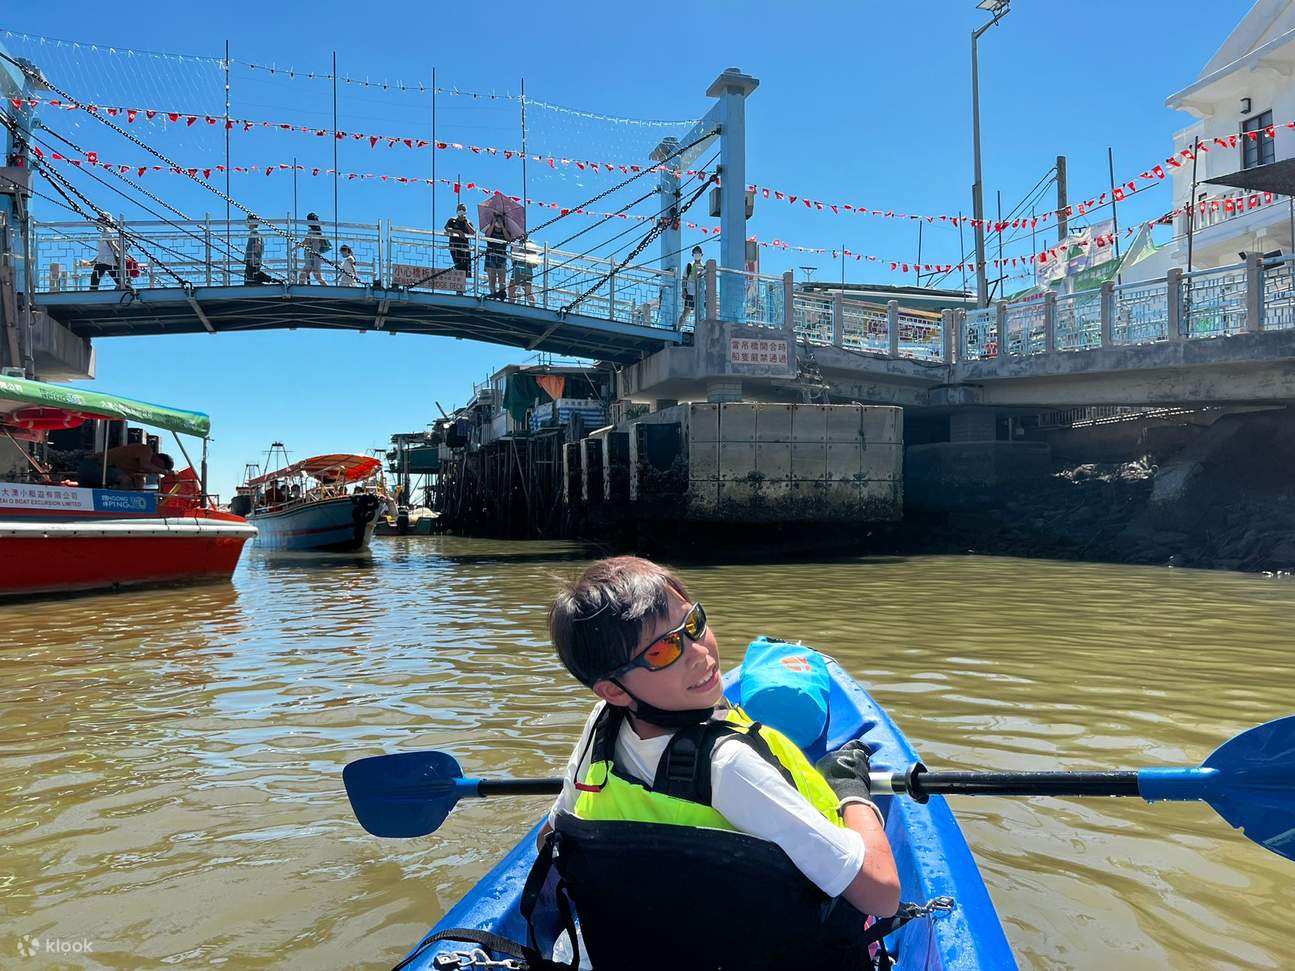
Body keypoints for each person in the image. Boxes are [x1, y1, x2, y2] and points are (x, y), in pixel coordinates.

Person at [536, 556, 899, 968]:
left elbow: (550, 838)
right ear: (614, 690)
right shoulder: (729, 766)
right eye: (662, 650)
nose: (699, 653)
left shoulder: (600, 729)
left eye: (693, 624)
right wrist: (851, 792)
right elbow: (882, 895)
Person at [89, 213, 129, 291]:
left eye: (101, 220)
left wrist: (122, 253)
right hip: (106, 260)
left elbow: (112, 245)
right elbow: (104, 250)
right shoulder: (107, 231)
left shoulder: (107, 231)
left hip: (106, 261)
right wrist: (94, 261)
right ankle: (127, 289)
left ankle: (92, 292)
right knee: (118, 280)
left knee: (95, 278)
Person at [444, 203, 475, 282]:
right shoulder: (452, 220)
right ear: (457, 211)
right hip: (455, 248)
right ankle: (459, 290)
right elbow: (447, 228)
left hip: (465, 249)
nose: (461, 211)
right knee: (458, 267)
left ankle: (462, 289)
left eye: (463, 209)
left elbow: (472, 233)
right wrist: (458, 231)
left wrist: (465, 222)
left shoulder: (468, 222)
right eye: (460, 209)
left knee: (465, 270)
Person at [677, 245, 704, 329]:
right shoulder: (689, 265)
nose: (697, 254)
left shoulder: (704, 266)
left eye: (698, 253)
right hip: (690, 292)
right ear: (692, 255)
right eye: (695, 253)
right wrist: (684, 290)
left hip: (700, 293)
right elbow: (684, 278)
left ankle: (698, 329)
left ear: (701, 254)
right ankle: (678, 327)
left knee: (699, 312)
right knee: (687, 311)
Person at [483, 212, 509, 299]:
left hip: (502, 257)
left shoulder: (505, 231)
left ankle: (501, 296)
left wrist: (503, 227)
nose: (498, 221)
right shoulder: (490, 229)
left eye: (500, 220)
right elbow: (487, 236)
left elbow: (509, 239)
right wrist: (493, 223)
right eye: (497, 220)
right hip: (490, 256)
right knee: (492, 279)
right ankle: (493, 295)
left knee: (502, 279)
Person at [297, 212, 328, 285]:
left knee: (302, 276)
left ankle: (300, 292)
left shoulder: (311, 231)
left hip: (311, 258)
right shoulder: (319, 231)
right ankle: (328, 289)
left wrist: (295, 247)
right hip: (315, 257)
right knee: (318, 278)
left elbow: (306, 241)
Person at [243, 215, 273, 285]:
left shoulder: (255, 234)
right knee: (250, 277)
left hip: (253, 261)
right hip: (252, 260)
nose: (247, 223)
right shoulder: (254, 233)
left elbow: (257, 246)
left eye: (248, 221)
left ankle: (263, 280)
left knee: (250, 278)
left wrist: (252, 257)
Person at [508, 236, 537, 306]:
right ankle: (533, 306)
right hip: (528, 270)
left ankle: (511, 305)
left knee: (511, 289)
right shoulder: (531, 245)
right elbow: (535, 262)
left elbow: (513, 257)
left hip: (518, 268)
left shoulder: (516, 244)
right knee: (528, 292)